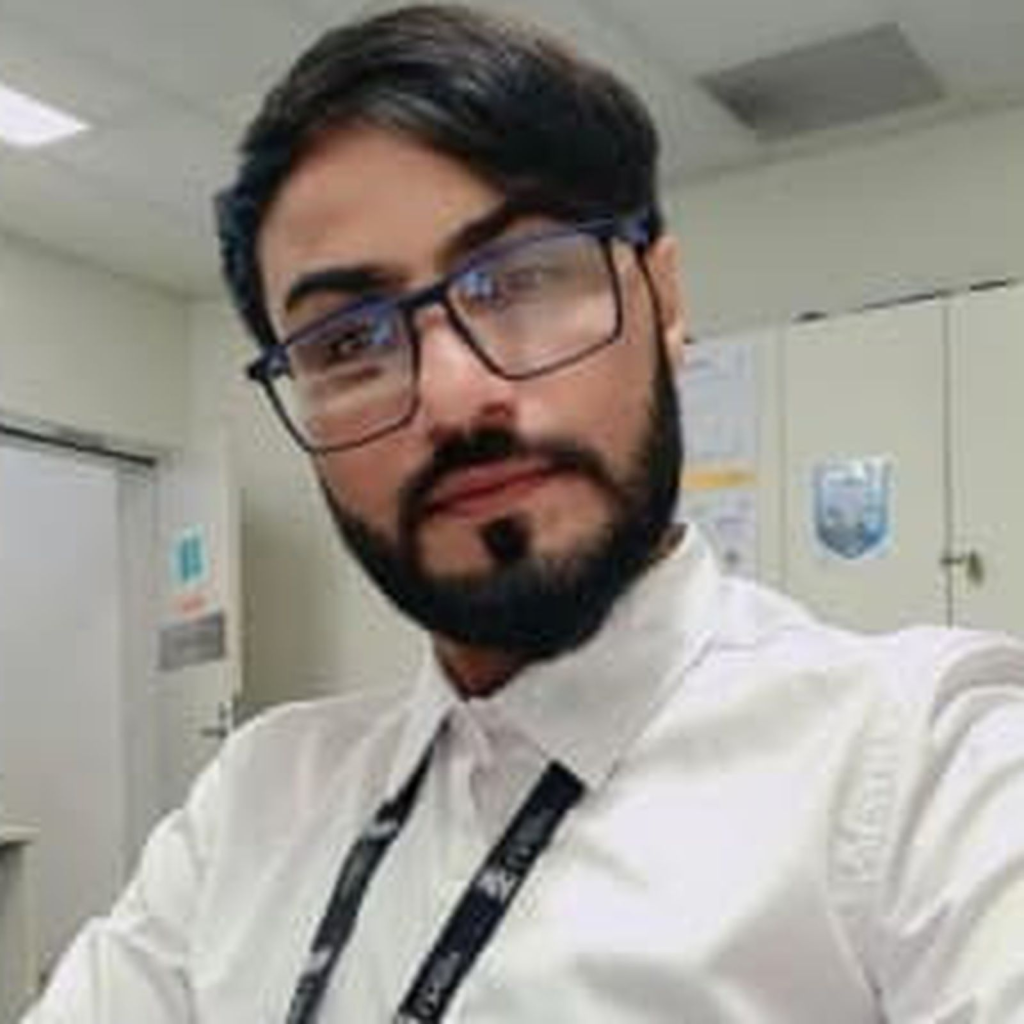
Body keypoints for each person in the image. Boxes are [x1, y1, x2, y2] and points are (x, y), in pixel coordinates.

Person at [24, 5, 1024, 1021]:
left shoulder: (923, 768)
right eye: (349, 342)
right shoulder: (255, 800)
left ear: (663, 299)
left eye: (519, 279)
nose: (454, 397)